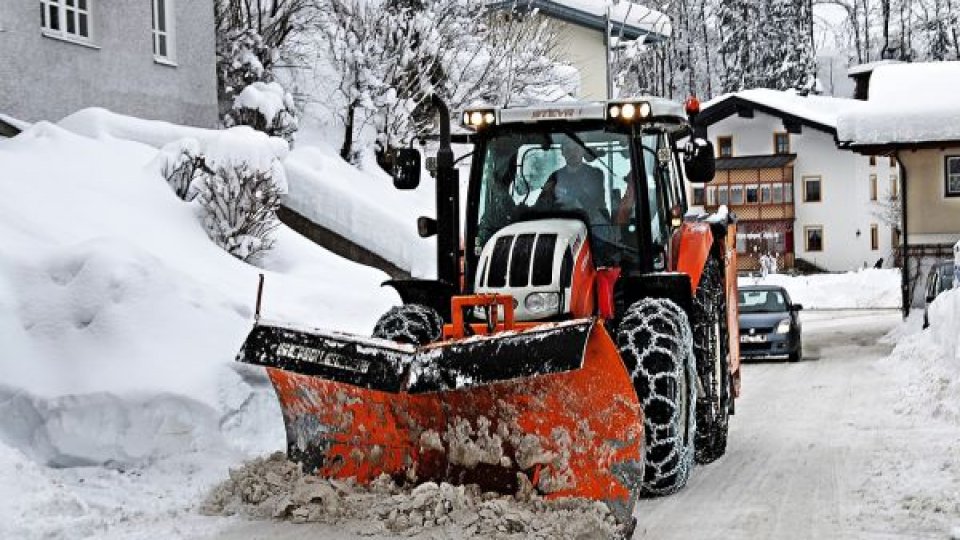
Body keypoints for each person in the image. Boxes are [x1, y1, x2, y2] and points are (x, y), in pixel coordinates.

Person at [535, 139, 606, 217]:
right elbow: (541, 205)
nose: (572, 153)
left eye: (576, 149)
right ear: (563, 152)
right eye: (568, 150)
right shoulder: (555, 176)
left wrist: (578, 204)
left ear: (582, 150)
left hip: (589, 223)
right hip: (560, 222)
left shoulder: (595, 174)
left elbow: (599, 205)